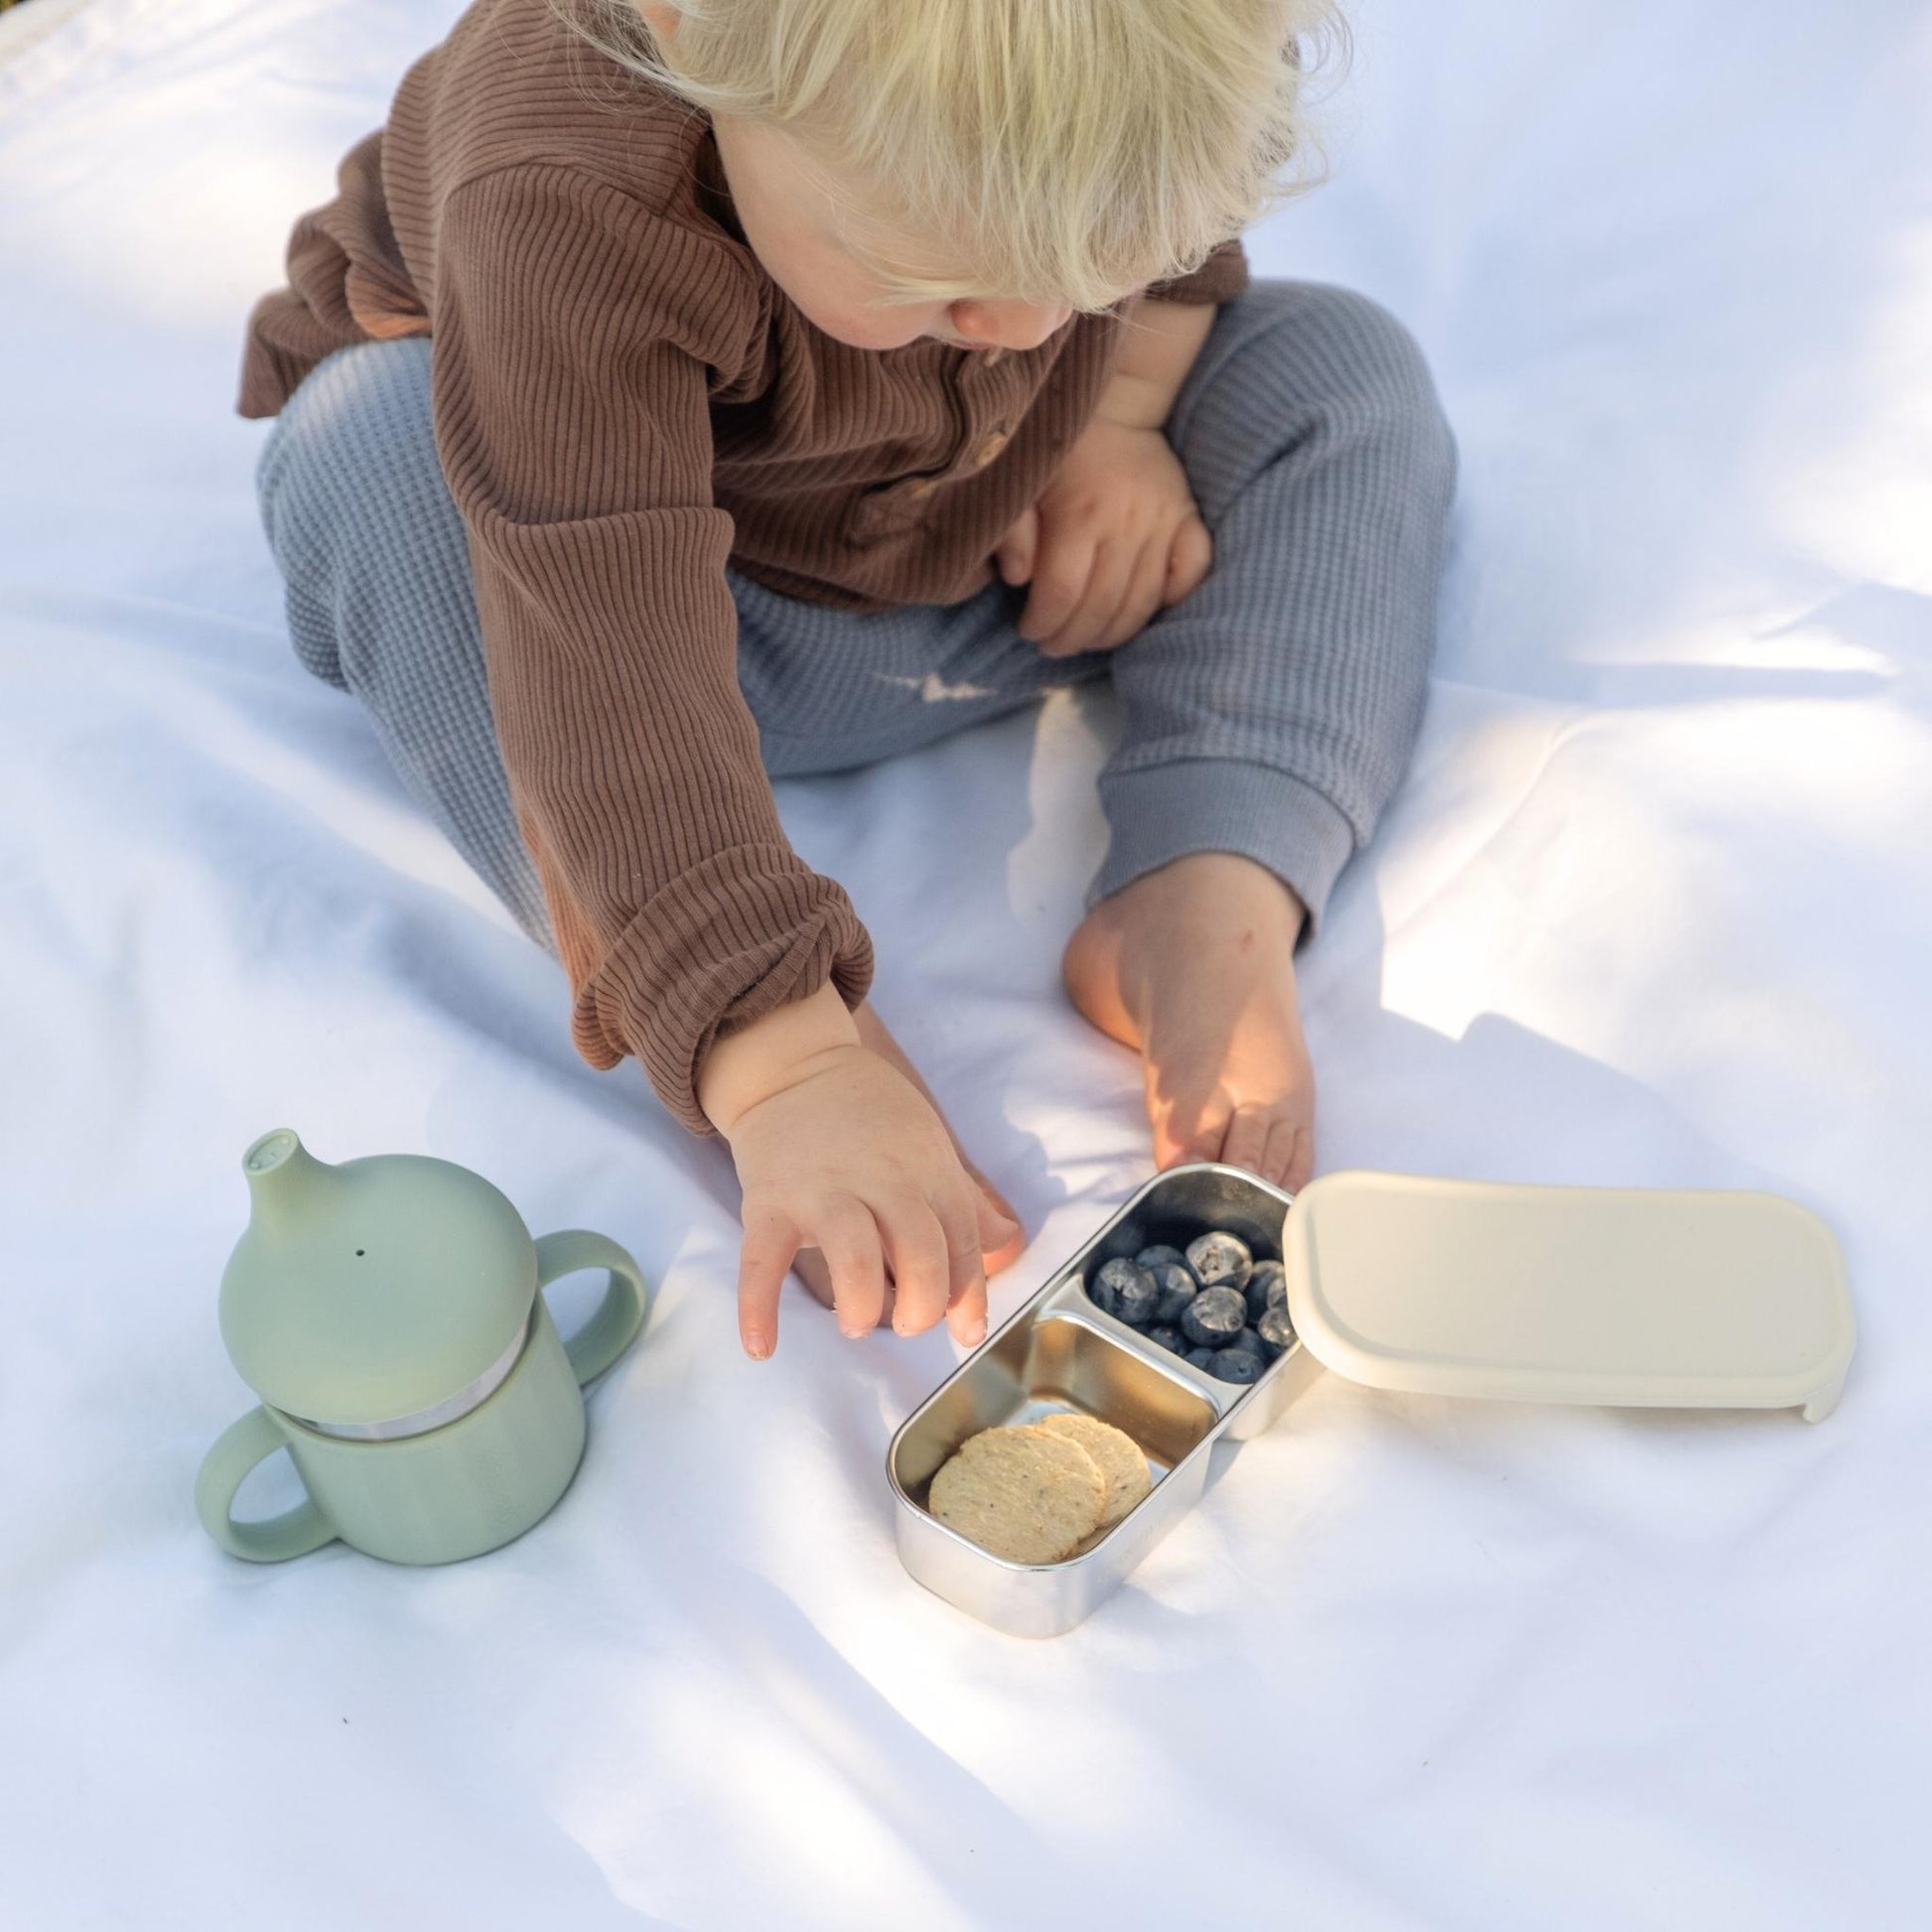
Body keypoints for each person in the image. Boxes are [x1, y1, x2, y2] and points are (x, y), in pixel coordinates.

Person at [242, 0, 1455, 1359]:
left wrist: (1118, 414)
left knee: (1335, 368)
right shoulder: (557, 178)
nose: (1020, 322)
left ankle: (1205, 884)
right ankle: (755, 1009)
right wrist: (782, 1057)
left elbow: (1164, 219)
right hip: (633, 637)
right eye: (930, 276)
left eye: (1089, 261)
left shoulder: (1145, 52)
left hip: (988, 539)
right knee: (364, 449)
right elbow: (595, 616)